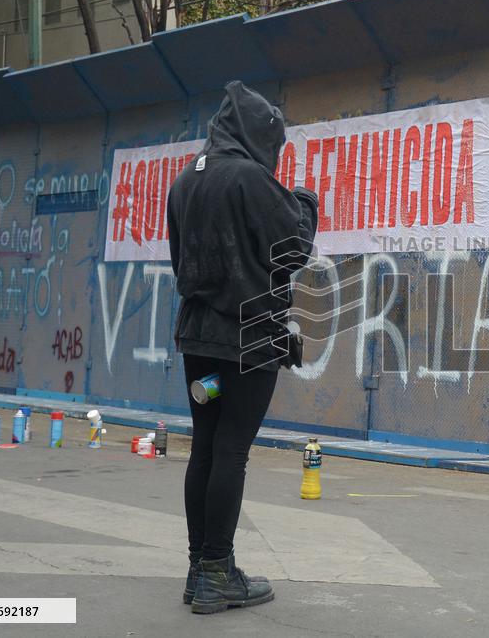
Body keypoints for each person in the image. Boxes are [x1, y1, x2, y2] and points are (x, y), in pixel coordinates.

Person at [167, 81, 318, 615]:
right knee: (233, 448)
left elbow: (178, 256)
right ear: (258, 135)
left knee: (205, 444)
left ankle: (197, 567)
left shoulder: (186, 179)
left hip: (199, 345)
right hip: (249, 343)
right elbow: (293, 248)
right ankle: (217, 571)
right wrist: (306, 203)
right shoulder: (251, 179)